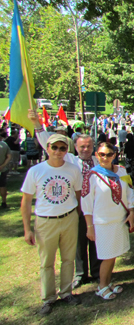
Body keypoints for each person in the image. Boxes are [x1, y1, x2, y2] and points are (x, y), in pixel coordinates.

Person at [28, 110, 102, 288]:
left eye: (89, 146)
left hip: (95, 207)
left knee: (95, 240)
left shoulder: (98, 161)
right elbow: (47, 141)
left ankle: (97, 271)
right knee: (78, 242)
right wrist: (37, 124)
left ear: (93, 148)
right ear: (75, 147)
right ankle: (80, 273)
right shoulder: (70, 159)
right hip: (76, 208)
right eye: (82, 146)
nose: (85, 149)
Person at [20, 134, 82, 315]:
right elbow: (26, 201)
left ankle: (66, 292)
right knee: (47, 262)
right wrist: (27, 229)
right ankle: (48, 298)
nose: (58, 152)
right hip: (45, 221)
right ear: (47, 148)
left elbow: (77, 194)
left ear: (67, 150)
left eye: (62, 148)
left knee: (68, 259)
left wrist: (74, 215)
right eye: (54, 148)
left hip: (69, 218)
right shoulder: (36, 171)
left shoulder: (73, 169)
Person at [82, 142, 134, 300]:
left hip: (119, 219)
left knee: (114, 254)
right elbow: (86, 203)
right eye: (101, 154)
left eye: (108, 154)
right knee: (107, 256)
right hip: (102, 222)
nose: (104, 158)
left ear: (114, 155)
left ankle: (107, 282)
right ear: (97, 155)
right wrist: (89, 226)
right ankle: (102, 286)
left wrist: (131, 212)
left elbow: (129, 191)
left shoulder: (122, 171)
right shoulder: (91, 175)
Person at [0, 131, 12, 208]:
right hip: (2, 169)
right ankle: (4, 202)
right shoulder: (4, 145)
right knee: (2, 186)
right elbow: (9, 156)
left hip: (2, 168)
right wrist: (3, 165)